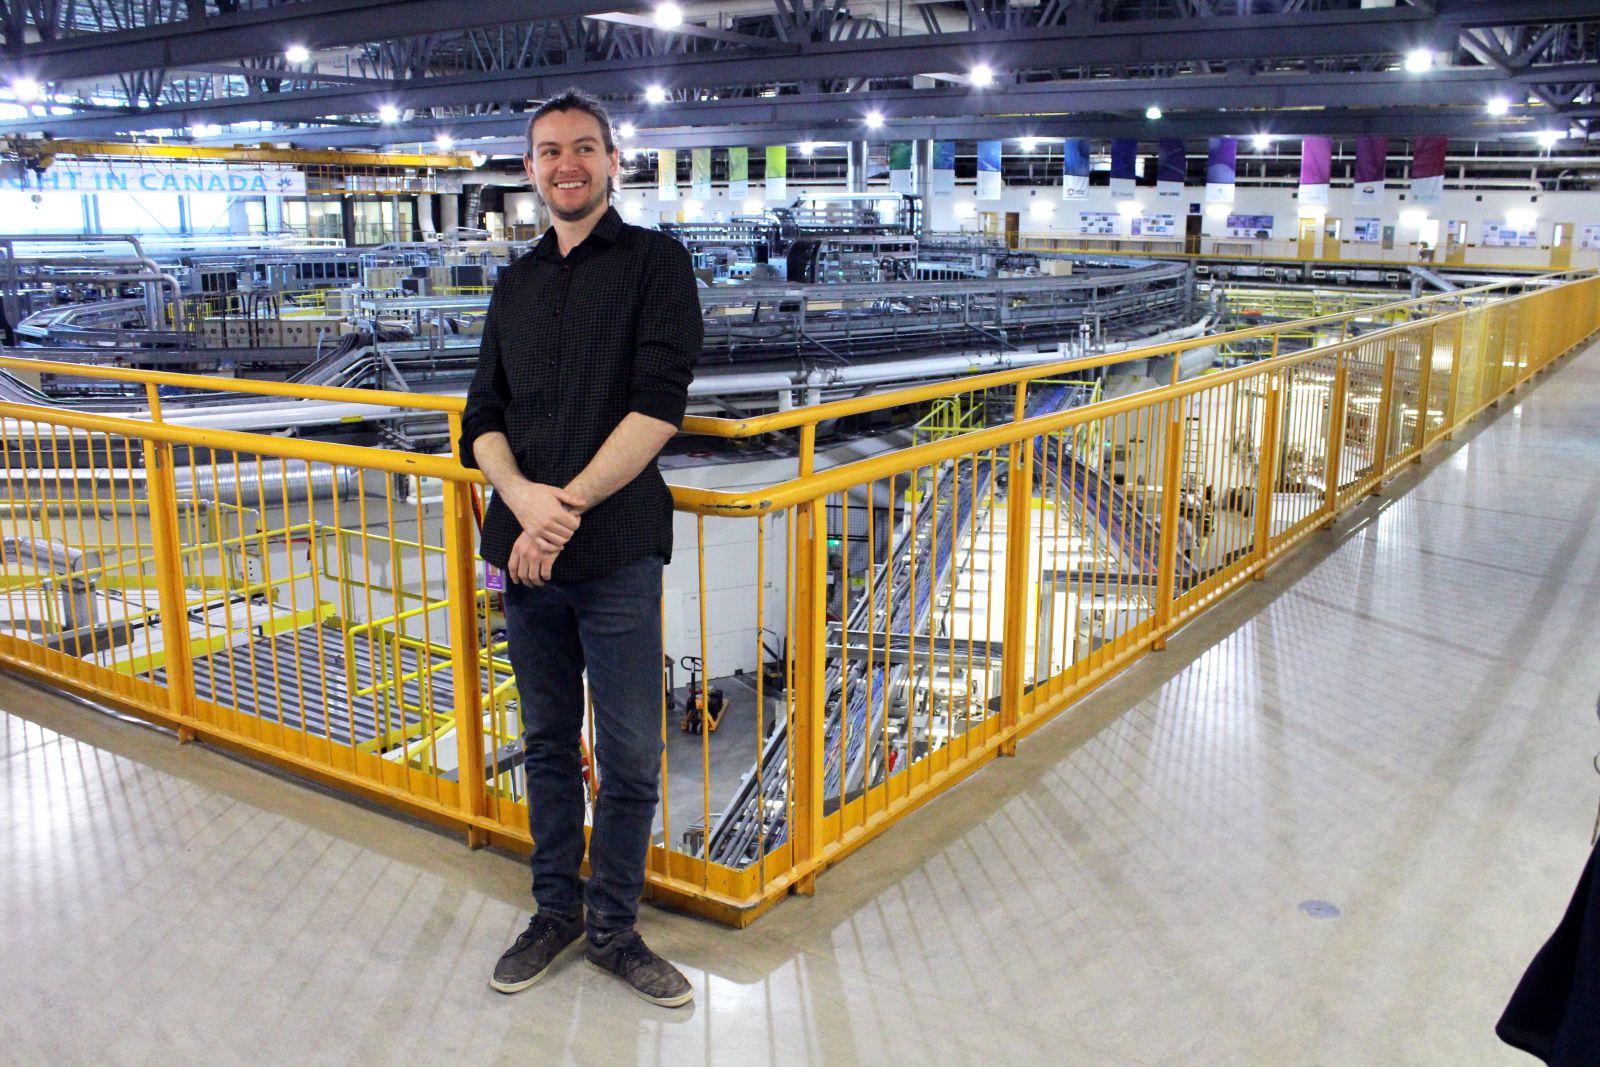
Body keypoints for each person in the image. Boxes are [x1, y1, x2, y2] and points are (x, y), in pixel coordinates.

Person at [457, 88, 702, 1008]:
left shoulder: (654, 264)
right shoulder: (515, 283)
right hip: (526, 557)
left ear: (612, 162)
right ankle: (554, 910)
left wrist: (561, 512)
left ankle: (613, 929)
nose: (568, 163)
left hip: (615, 555)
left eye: (585, 148)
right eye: (550, 150)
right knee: (550, 743)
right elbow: (482, 416)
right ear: (530, 169)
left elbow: (658, 406)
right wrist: (521, 503)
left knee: (633, 751)